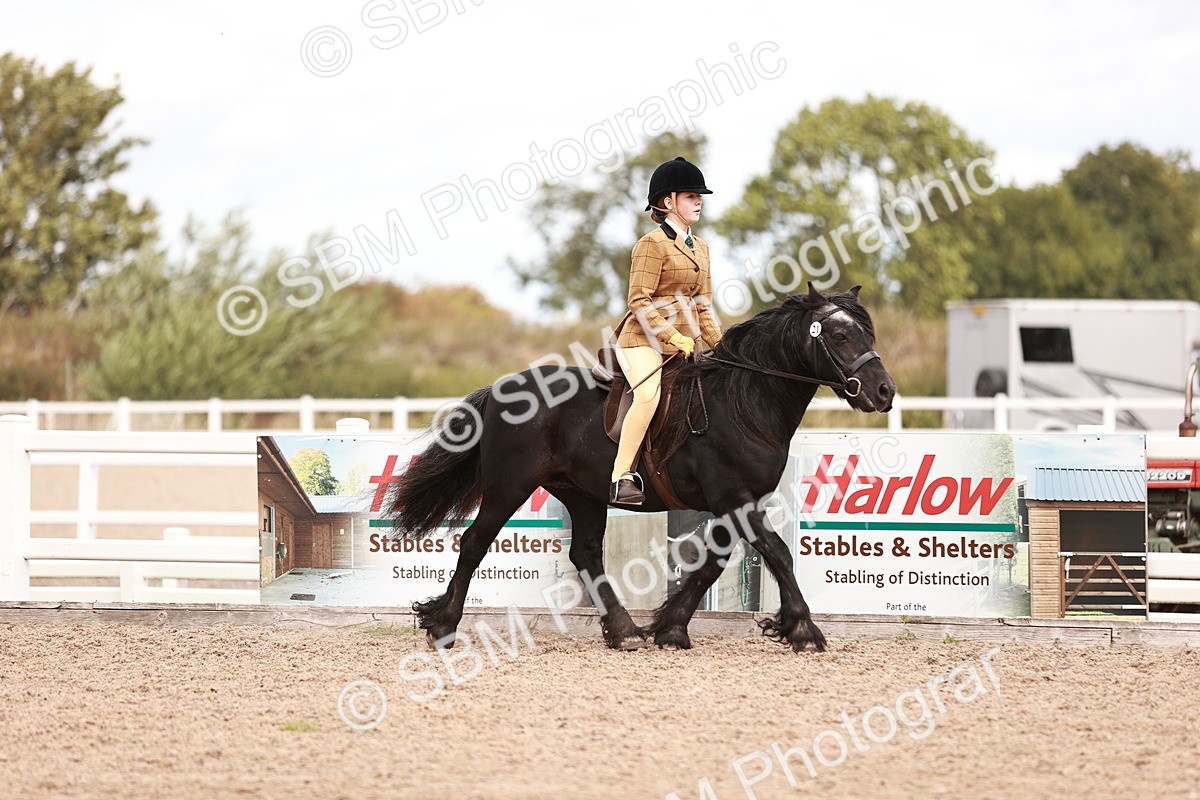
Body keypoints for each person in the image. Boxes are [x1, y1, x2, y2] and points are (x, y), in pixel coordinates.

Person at [609, 156, 723, 505]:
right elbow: (639, 301)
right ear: (668, 202)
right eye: (691, 196)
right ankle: (621, 477)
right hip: (642, 339)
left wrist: (724, 348)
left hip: (686, 342)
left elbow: (702, 304)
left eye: (699, 196)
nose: (699, 201)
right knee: (648, 394)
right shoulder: (651, 244)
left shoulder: (701, 247)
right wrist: (672, 337)